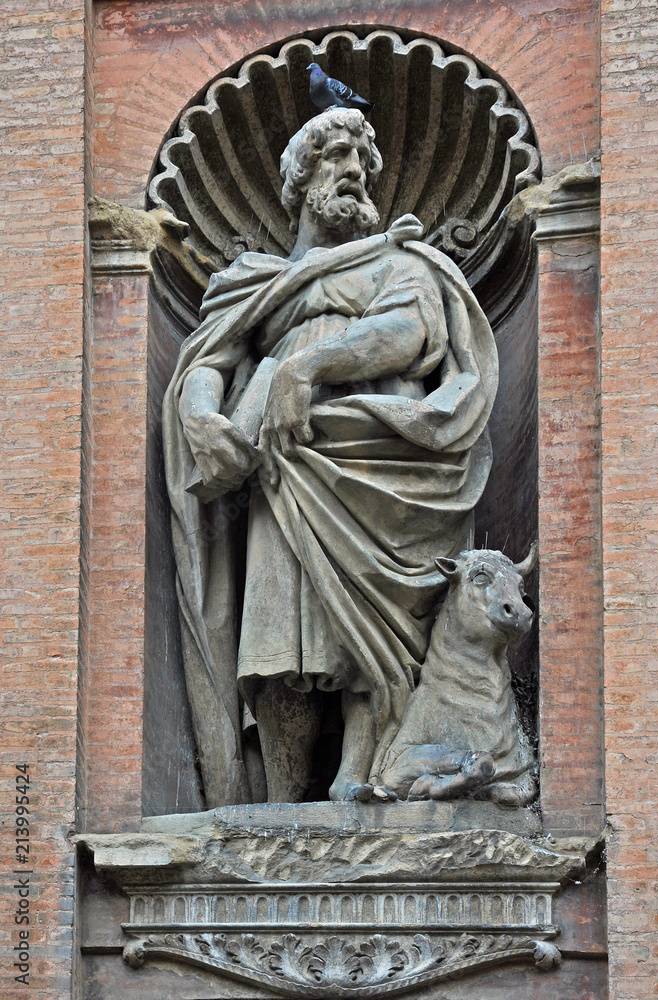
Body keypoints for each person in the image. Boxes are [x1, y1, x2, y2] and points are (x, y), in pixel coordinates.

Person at [162, 109, 498, 806]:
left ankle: (361, 778)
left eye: (362, 161)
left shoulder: (401, 261)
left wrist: (306, 366)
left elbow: (410, 332)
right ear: (299, 178)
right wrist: (198, 415)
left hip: (380, 457)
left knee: (379, 633)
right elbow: (212, 357)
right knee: (281, 637)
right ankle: (283, 804)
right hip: (284, 467)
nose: (352, 169)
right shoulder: (250, 280)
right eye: (336, 155)